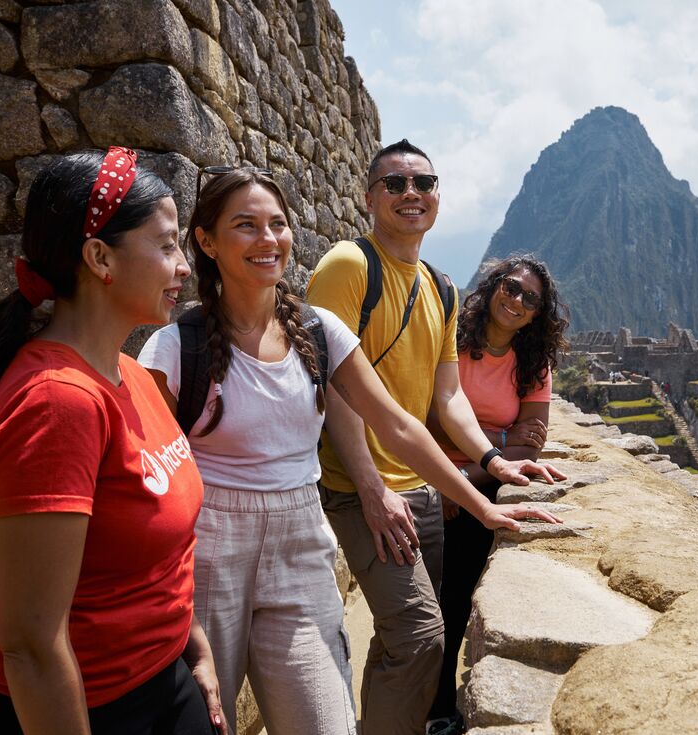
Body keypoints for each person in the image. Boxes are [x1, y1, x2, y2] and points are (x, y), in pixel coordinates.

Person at [138, 167, 559, 734]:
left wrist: (486, 504)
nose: (268, 240)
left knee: (326, 720)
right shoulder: (173, 351)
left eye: (278, 224)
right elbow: (151, 483)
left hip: (299, 541)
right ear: (207, 241)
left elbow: (399, 426)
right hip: (211, 545)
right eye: (246, 226)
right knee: (207, 719)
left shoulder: (320, 332)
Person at [0, 149, 224, 734]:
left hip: (160, 683)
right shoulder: (57, 402)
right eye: (168, 244)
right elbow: (30, 645)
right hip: (81, 709)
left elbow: (154, 553)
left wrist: (190, 645)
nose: (184, 267)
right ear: (101, 257)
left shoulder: (129, 374)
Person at [307, 139, 565, 735]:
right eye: (394, 184)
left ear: (438, 197)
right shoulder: (348, 267)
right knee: (420, 633)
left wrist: (494, 462)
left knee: (414, 636)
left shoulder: (440, 289)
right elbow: (331, 388)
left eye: (423, 183)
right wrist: (370, 487)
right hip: (358, 486)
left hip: (418, 487)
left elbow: (447, 400)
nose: (410, 194)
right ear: (369, 197)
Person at [424, 255, 570, 734]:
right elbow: (425, 413)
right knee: (413, 605)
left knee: (456, 600)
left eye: (531, 299)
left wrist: (467, 473)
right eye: (512, 287)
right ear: (493, 287)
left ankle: (439, 709)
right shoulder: (451, 340)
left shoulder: (532, 365)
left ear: (536, 315)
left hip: (478, 489)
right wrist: (492, 443)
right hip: (423, 478)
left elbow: (532, 439)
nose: (517, 301)